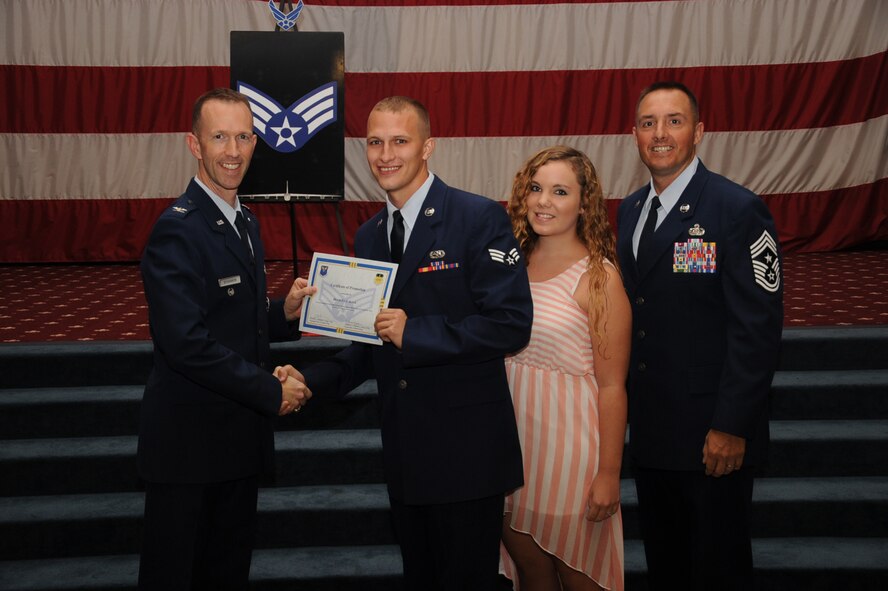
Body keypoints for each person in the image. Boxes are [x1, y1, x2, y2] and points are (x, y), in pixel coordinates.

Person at [276, 96, 533, 590]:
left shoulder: (477, 216)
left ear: (427, 147)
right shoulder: (370, 235)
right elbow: (369, 344)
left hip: (466, 453)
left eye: (400, 141)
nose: (386, 154)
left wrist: (416, 332)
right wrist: (311, 381)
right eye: (375, 142)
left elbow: (510, 324)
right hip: (405, 452)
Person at [137, 87, 314, 590]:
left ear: (256, 143)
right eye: (219, 137)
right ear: (194, 144)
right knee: (177, 577)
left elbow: (232, 316)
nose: (233, 151)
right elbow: (186, 343)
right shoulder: (178, 230)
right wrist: (270, 390)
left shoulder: (245, 221)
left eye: (243, 137)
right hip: (189, 450)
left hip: (237, 442)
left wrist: (284, 313)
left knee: (226, 574)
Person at [616, 82, 784, 590]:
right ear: (634, 134)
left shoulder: (737, 209)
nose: (660, 134)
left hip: (713, 435)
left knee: (717, 569)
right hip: (652, 433)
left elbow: (757, 329)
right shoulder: (630, 210)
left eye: (674, 121)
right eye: (648, 123)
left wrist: (732, 425)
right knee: (667, 567)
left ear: (699, 132)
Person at [501, 146, 631, 591]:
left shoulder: (599, 278)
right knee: (533, 578)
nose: (544, 201)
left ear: (584, 203)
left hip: (570, 460)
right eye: (536, 188)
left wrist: (609, 474)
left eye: (560, 191)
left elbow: (612, 386)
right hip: (509, 454)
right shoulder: (508, 267)